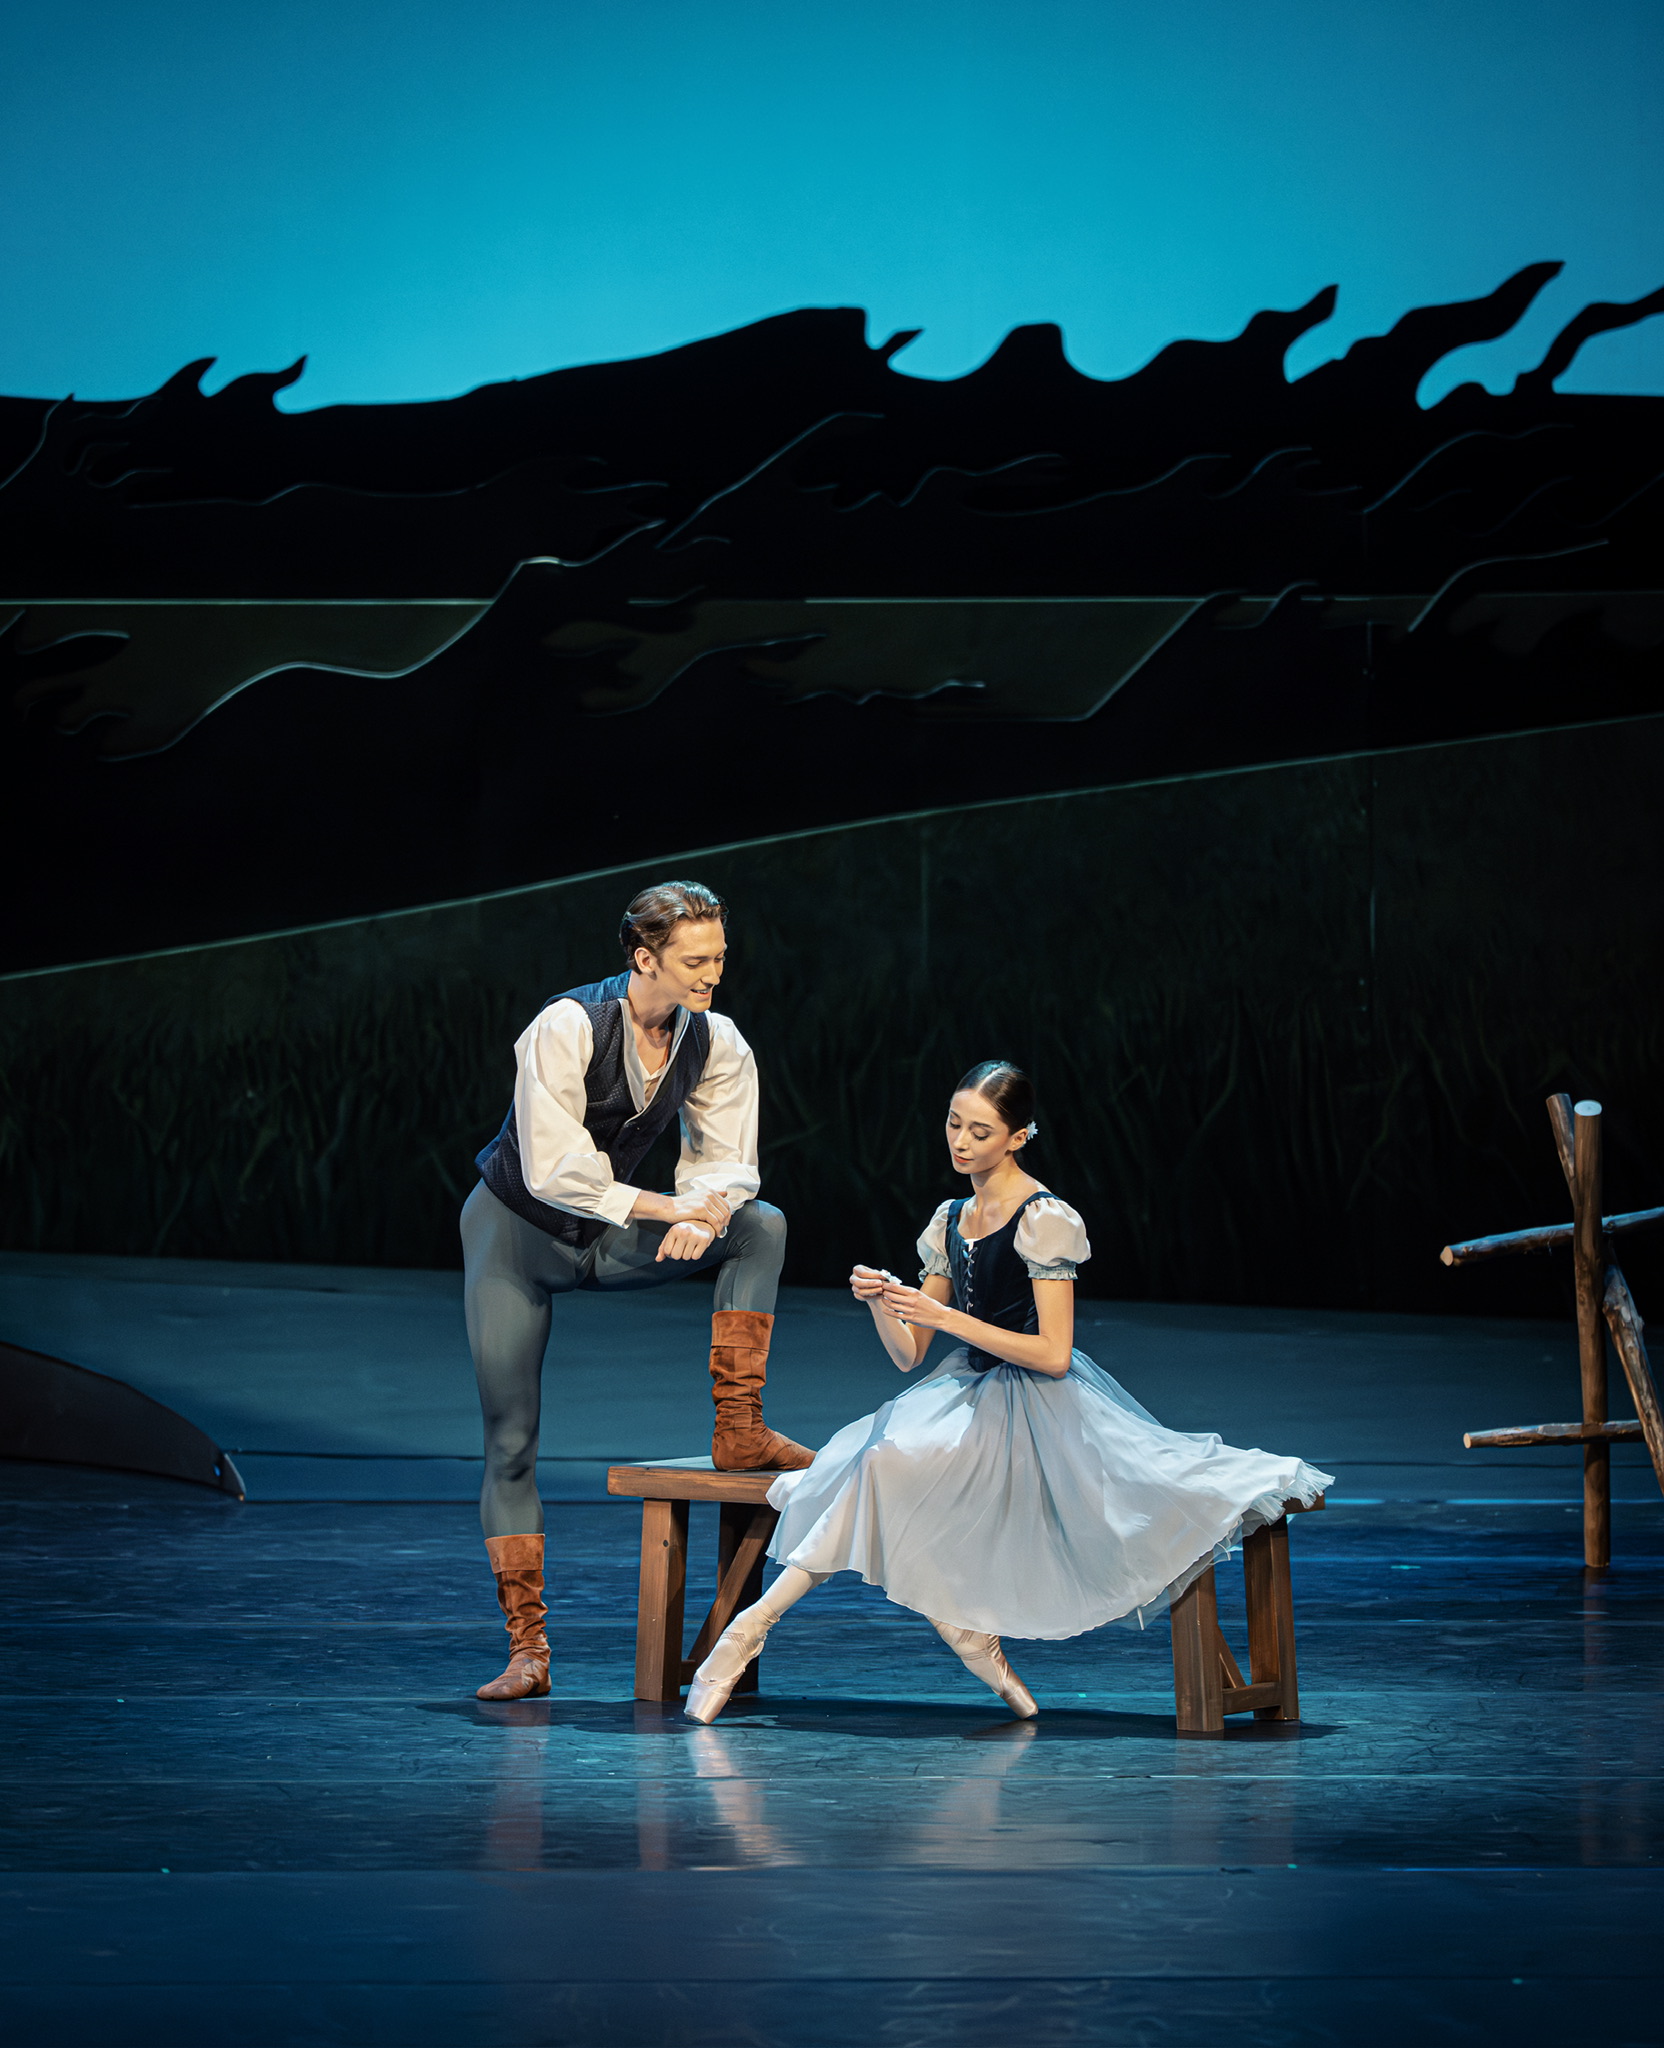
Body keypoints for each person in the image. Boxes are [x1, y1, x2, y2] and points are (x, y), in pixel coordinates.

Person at [683, 1059, 1333, 1723]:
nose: (960, 1142)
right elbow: (909, 1355)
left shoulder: (1044, 1218)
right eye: (953, 1124)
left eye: (980, 1131)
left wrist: (941, 1317)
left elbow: (1053, 1354)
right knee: (873, 1459)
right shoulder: (950, 1218)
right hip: (964, 1394)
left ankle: (767, 1628)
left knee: (879, 1466)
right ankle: (807, 1627)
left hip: (1038, 1407)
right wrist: (886, 1302)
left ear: (1018, 1137)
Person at [464, 879, 810, 1703]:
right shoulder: (568, 1024)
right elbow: (552, 1167)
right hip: (517, 1237)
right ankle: (528, 1650)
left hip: (610, 1234)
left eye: (720, 957)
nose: (712, 975)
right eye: (695, 960)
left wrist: (711, 1209)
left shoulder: (714, 1039)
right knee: (511, 1439)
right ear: (643, 957)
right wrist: (667, 1207)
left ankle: (739, 1426)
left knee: (762, 1224)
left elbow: (727, 1158)